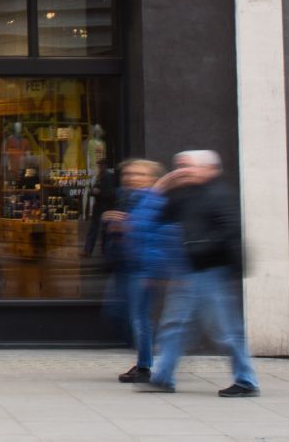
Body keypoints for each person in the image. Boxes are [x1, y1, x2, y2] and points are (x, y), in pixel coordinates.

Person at [144, 150, 259, 397]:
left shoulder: (220, 194)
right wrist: (163, 185)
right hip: (188, 270)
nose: (183, 170)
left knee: (225, 329)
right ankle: (163, 375)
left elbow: (230, 230)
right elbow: (157, 217)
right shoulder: (184, 194)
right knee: (175, 325)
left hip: (211, 271)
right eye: (180, 166)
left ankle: (246, 380)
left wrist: (201, 247)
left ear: (209, 168)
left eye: (189, 166)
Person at [101, 158, 175, 384]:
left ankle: (145, 365)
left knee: (140, 318)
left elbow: (158, 234)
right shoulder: (127, 198)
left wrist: (155, 270)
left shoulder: (154, 201)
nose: (132, 178)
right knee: (123, 313)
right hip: (126, 265)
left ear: (153, 179)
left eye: (139, 174)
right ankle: (150, 358)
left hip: (141, 267)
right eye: (129, 174)